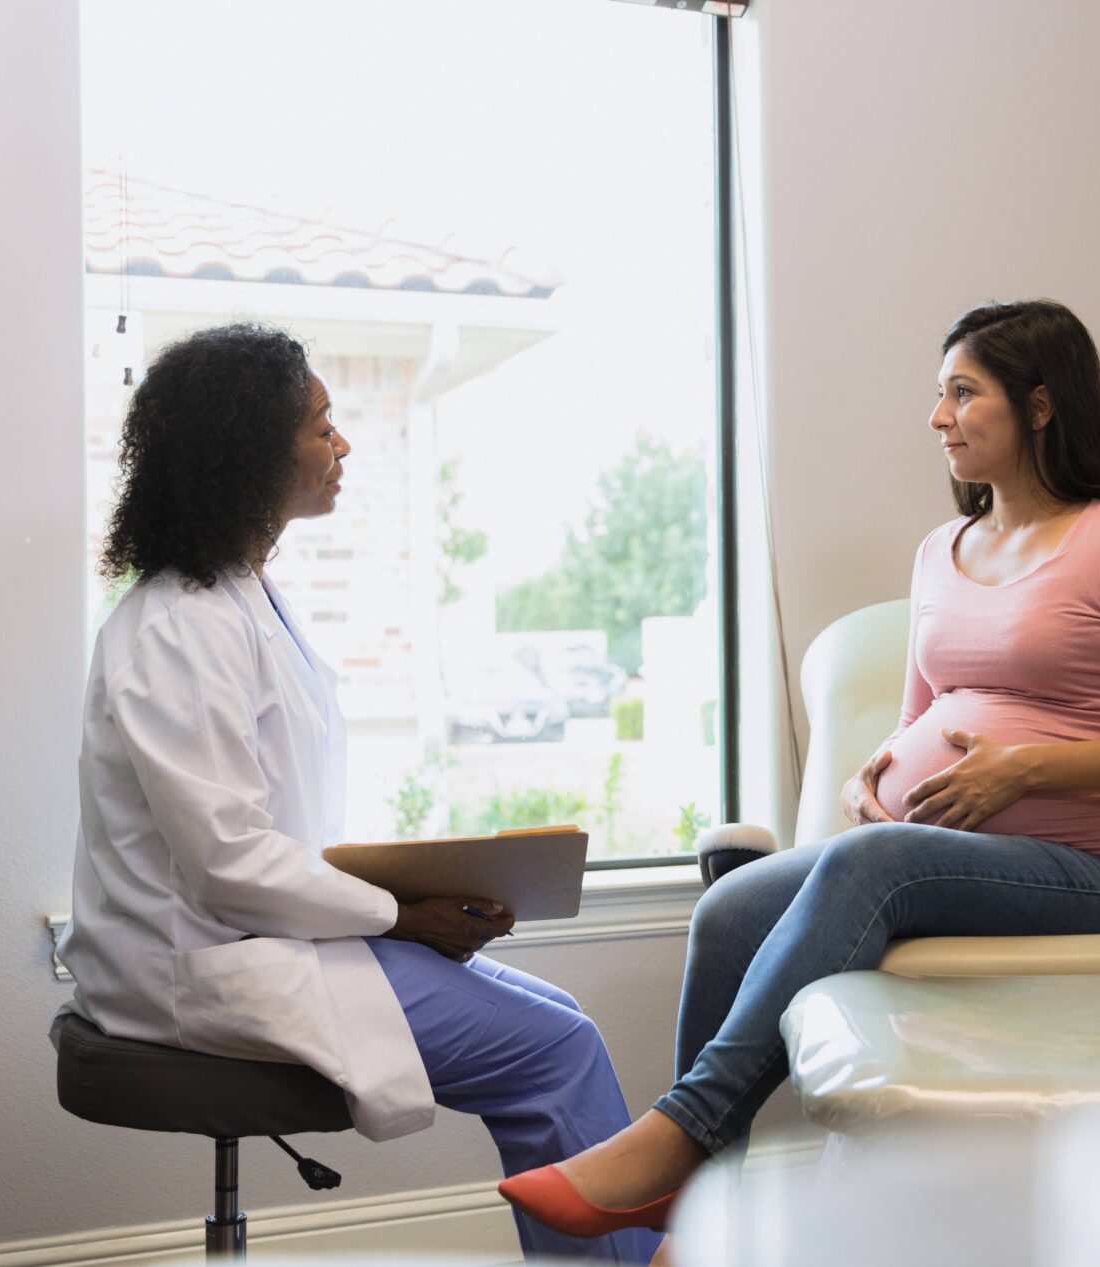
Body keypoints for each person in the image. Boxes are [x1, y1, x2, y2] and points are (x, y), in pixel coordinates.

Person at [497, 299, 1100, 1239]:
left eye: (965, 393)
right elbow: (923, 717)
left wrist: (1023, 773)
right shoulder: (940, 549)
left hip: (1099, 879)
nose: (939, 418)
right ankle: (708, 1216)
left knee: (869, 864)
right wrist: (868, 780)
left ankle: (681, 1135)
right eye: (939, 395)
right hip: (934, 854)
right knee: (730, 910)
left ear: (1041, 406)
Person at [56, 323, 659, 1265]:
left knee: (565, 1027)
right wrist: (399, 915)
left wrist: (402, 895)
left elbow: (265, 830)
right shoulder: (181, 625)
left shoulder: (239, 598)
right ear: (249, 450)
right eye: (321, 424)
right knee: (553, 1053)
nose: (342, 445)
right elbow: (225, 860)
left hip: (263, 935)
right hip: (202, 966)